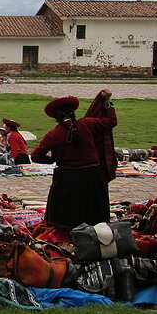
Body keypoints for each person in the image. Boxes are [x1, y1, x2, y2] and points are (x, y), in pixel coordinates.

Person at [31, 91, 117, 229]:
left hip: (67, 180)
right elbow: (111, 122)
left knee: (67, 217)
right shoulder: (87, 124)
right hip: (92, 177)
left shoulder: (53, 134)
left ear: (56, 117)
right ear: (73, 113)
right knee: (94, 213)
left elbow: (36, 156)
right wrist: (108, 103)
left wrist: (52, 160)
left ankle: (67, 236)